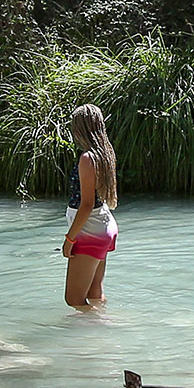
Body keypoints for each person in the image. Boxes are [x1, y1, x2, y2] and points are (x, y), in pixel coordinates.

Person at [61, 104, 119, 309]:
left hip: (91, 229)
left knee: (74, 300)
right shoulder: (105, 154)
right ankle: (99, 330)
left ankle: (103, 328)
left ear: (80, 129)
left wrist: (69, 239)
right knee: (95, 294)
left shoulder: (87, 158)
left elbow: (86, 204)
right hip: (103, 225)